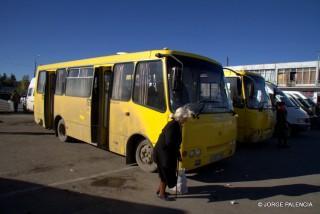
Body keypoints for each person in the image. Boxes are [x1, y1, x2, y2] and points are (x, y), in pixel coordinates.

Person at [153, 106, 193, 201]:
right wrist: (176, 153)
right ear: (181, 117)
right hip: (163, 153)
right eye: (186, 118)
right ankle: (161, 194)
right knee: (166, 173)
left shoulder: (176, 124)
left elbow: (173, 143)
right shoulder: (173, 125)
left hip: (164, 152)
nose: (186, 120)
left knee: (165, 173)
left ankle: (159, 191)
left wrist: (178, 154)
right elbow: (170, 142)